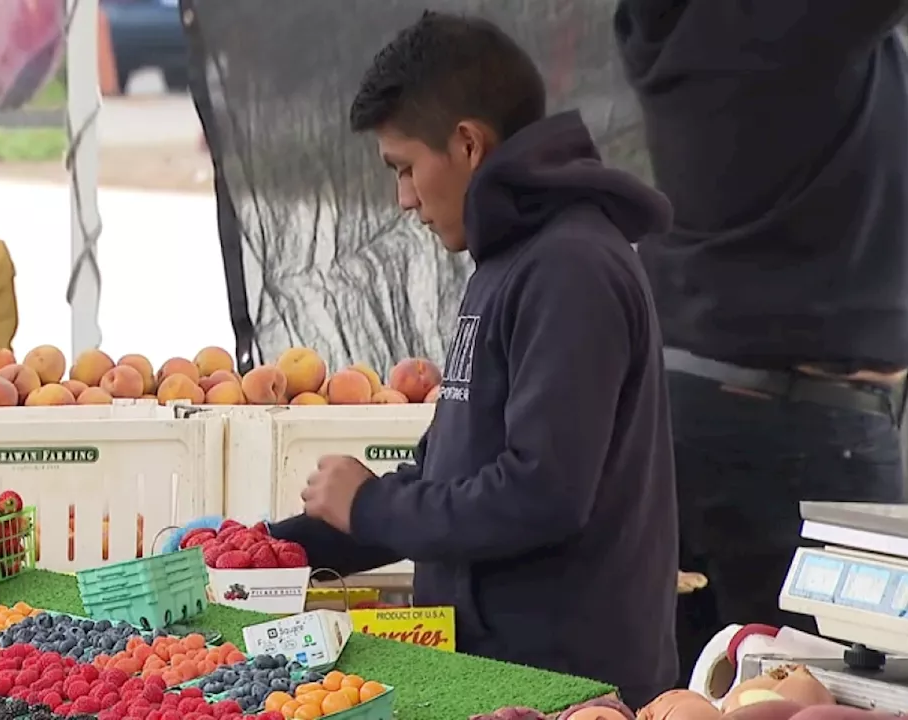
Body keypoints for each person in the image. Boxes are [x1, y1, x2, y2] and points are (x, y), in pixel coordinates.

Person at [253, 10, 677, 707]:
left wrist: (371, 508)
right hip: (497, 668)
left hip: (562, 684)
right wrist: (278, 547)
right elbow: (450, 472)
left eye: (406, 168)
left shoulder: (570, 267)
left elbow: (542, 493)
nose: (405, 199)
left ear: (469, 144)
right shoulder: (508, 260)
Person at [615, 2, 908, 685]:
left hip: (681, 404)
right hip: (799, 427)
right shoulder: (788, 24)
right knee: (826, 688)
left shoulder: (668, 27)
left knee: (687, 689)